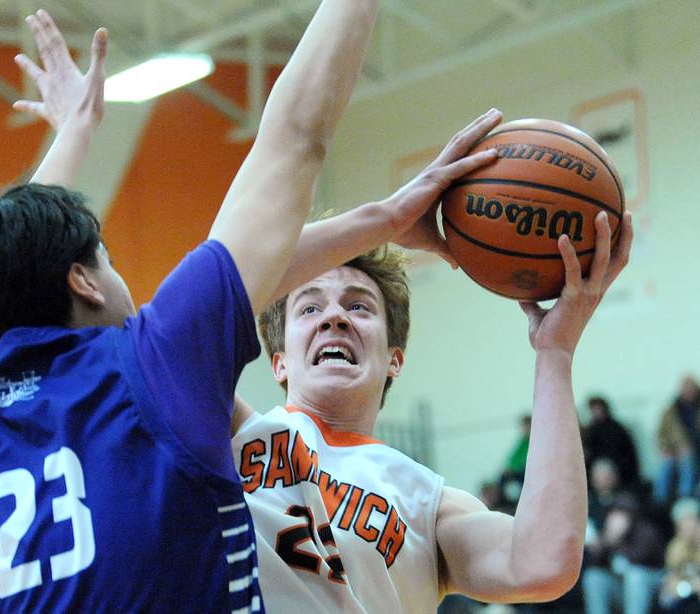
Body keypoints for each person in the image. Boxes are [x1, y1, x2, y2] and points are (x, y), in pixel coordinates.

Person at [0, 4, 400, 610]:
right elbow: (296, 139)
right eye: (107, 259)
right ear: (83, 281)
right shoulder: (151, 362)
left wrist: (74, 131)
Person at [231, 173, 634, 607]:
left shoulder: (428, 501)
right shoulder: (226, 434)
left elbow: (541, 562)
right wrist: (380, 220)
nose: (335, 317)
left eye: (358, 305)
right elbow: (192, 308)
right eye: (309, 306)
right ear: (280, 361)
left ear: (394, 359)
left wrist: (555, 353)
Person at [582, 493, 666, 614]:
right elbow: (595, 562)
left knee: (635, 575)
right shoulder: (609, 533)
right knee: (593, 577)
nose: (618, 518)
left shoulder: (646, 531)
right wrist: (608, 541)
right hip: (622, 589)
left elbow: (639, 560)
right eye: (615, 513)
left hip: (650, 588)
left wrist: (619, 539)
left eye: (623, 513)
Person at [656, 376, 700, 505]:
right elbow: (661, 435)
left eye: (691, 388)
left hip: (694, 450)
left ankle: (684, 497)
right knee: (665, 464)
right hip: (676, 450)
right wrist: (667, 449)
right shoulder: (670, 411)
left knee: (687, 459)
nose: (688, 392)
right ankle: (660, 501)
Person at [583, 395, 640, 489]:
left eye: (598, 408)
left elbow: (627, 455)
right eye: (593, 409)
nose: (596, 412)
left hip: (618, 469)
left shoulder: (617, 429)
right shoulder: (590, 430)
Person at [660, 498, 700, 612]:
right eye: (680, 522)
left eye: (689, 520)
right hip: (687, 593)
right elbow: (672, 582)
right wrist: (688, 587)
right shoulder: (675, 546)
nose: (685, 525)